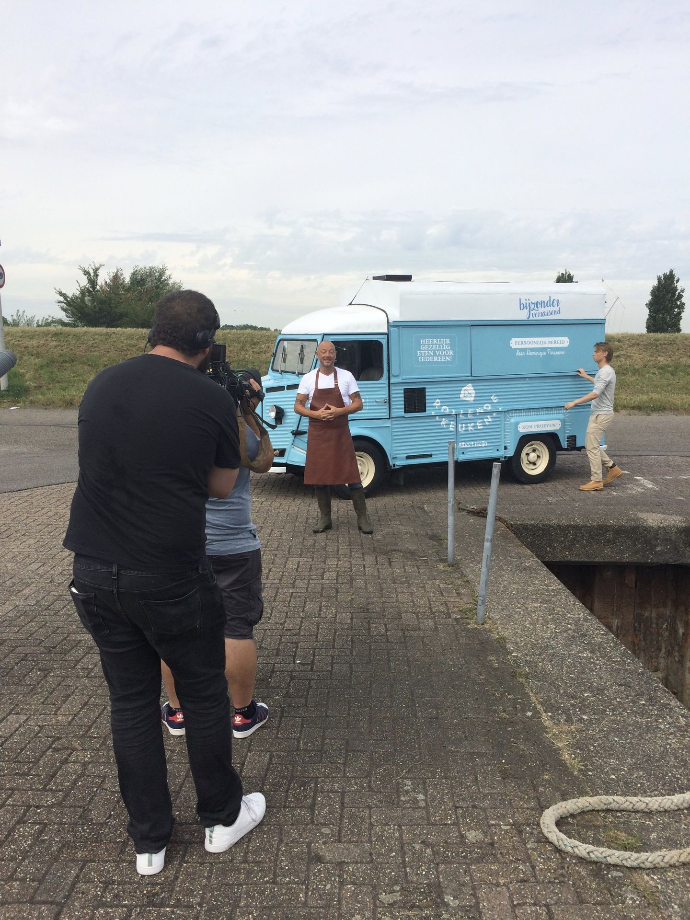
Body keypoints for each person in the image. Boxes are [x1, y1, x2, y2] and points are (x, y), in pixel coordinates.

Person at [63, 291, 265, 877]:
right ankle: (222, 818)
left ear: (155, 330)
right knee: (204, 696)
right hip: (169, 573)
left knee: (131, 702)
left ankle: (149, 841)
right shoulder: (209, 396)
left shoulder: (103, 382)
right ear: (208, 343)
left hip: (93, 569)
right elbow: (224, 486)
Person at [161, 371, 273, 740]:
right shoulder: (246, 433)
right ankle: (242, 715)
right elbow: (263, 457)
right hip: (235, 545)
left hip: (181, 541)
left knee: (175, 629)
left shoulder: (178, 424)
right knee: (236, 627)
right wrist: (248, 404)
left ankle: (178, 713)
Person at [294, 340, 373, 534]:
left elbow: (358, 403)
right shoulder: (308, 379)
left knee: (353, 476)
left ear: (335, 355)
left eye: (331, 352)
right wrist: (316, 414)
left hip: (340, 433)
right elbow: (298, 406)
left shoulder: (346, 377)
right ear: (317, 355)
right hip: (318, 434)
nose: (327, 355)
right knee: (320, 478)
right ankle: (325, 519)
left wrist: (339, 411)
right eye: (323, 352)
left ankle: (363, 519)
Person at [565, 341, 623, 492]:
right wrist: (586, 376)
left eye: (596, 351)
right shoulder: (604, 372)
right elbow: (599, 384)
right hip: (599, 414)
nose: (593, 353)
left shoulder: (605, 372)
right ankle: (612, 468)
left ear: (604, 354)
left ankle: (596, 480)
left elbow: (595, 393)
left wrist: (574, 402)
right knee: (592, 445)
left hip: (601, 415)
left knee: (591, 447)